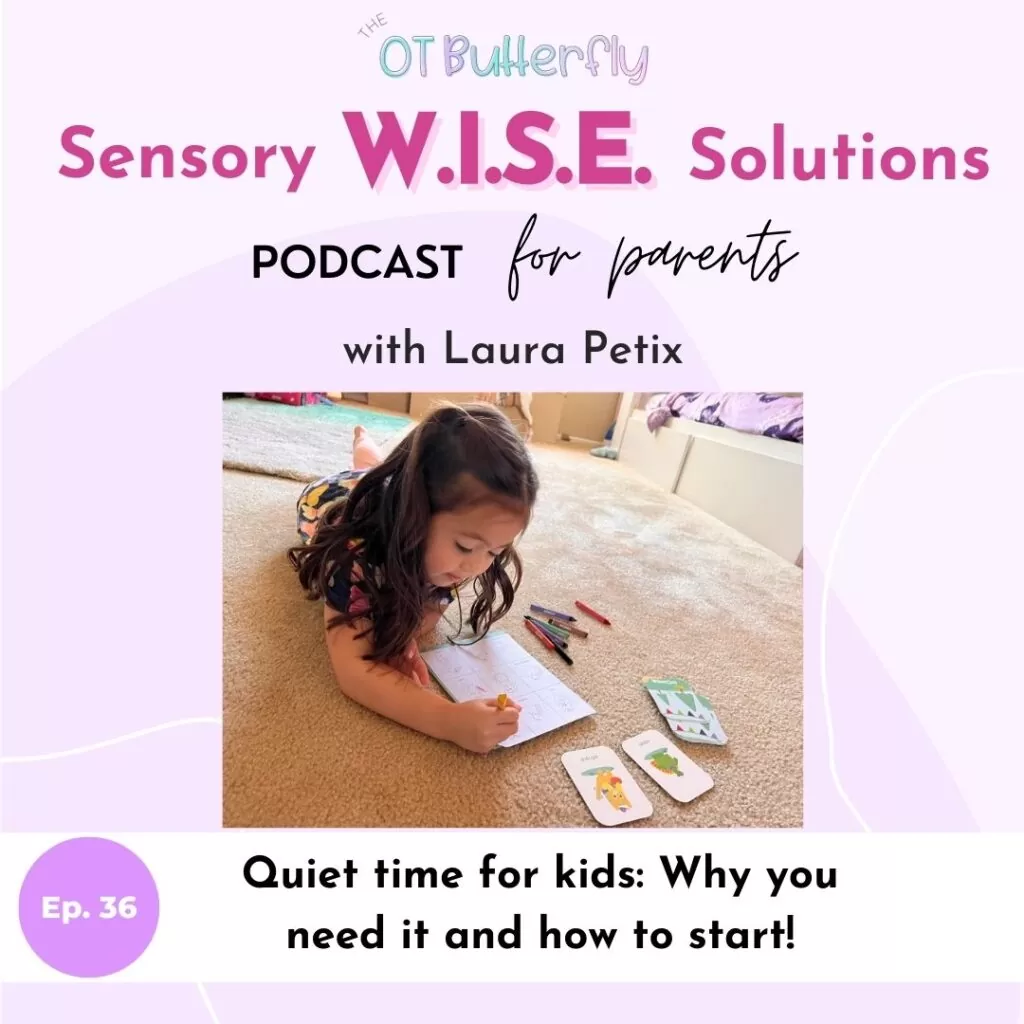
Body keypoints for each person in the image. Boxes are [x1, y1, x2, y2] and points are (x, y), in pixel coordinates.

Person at [289, 403, 539, 753]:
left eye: (495, 552)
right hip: (331, 498)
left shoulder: (454, 553)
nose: (477, 566)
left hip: (391, 490)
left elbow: (433, 602)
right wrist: (447, 720)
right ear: (416, 513)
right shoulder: (354, 554)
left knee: (370, 465)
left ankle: (364, 441)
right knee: (363, 471)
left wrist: (401, 630)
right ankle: (361, 437)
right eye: (466, 546)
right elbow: (352, 671)